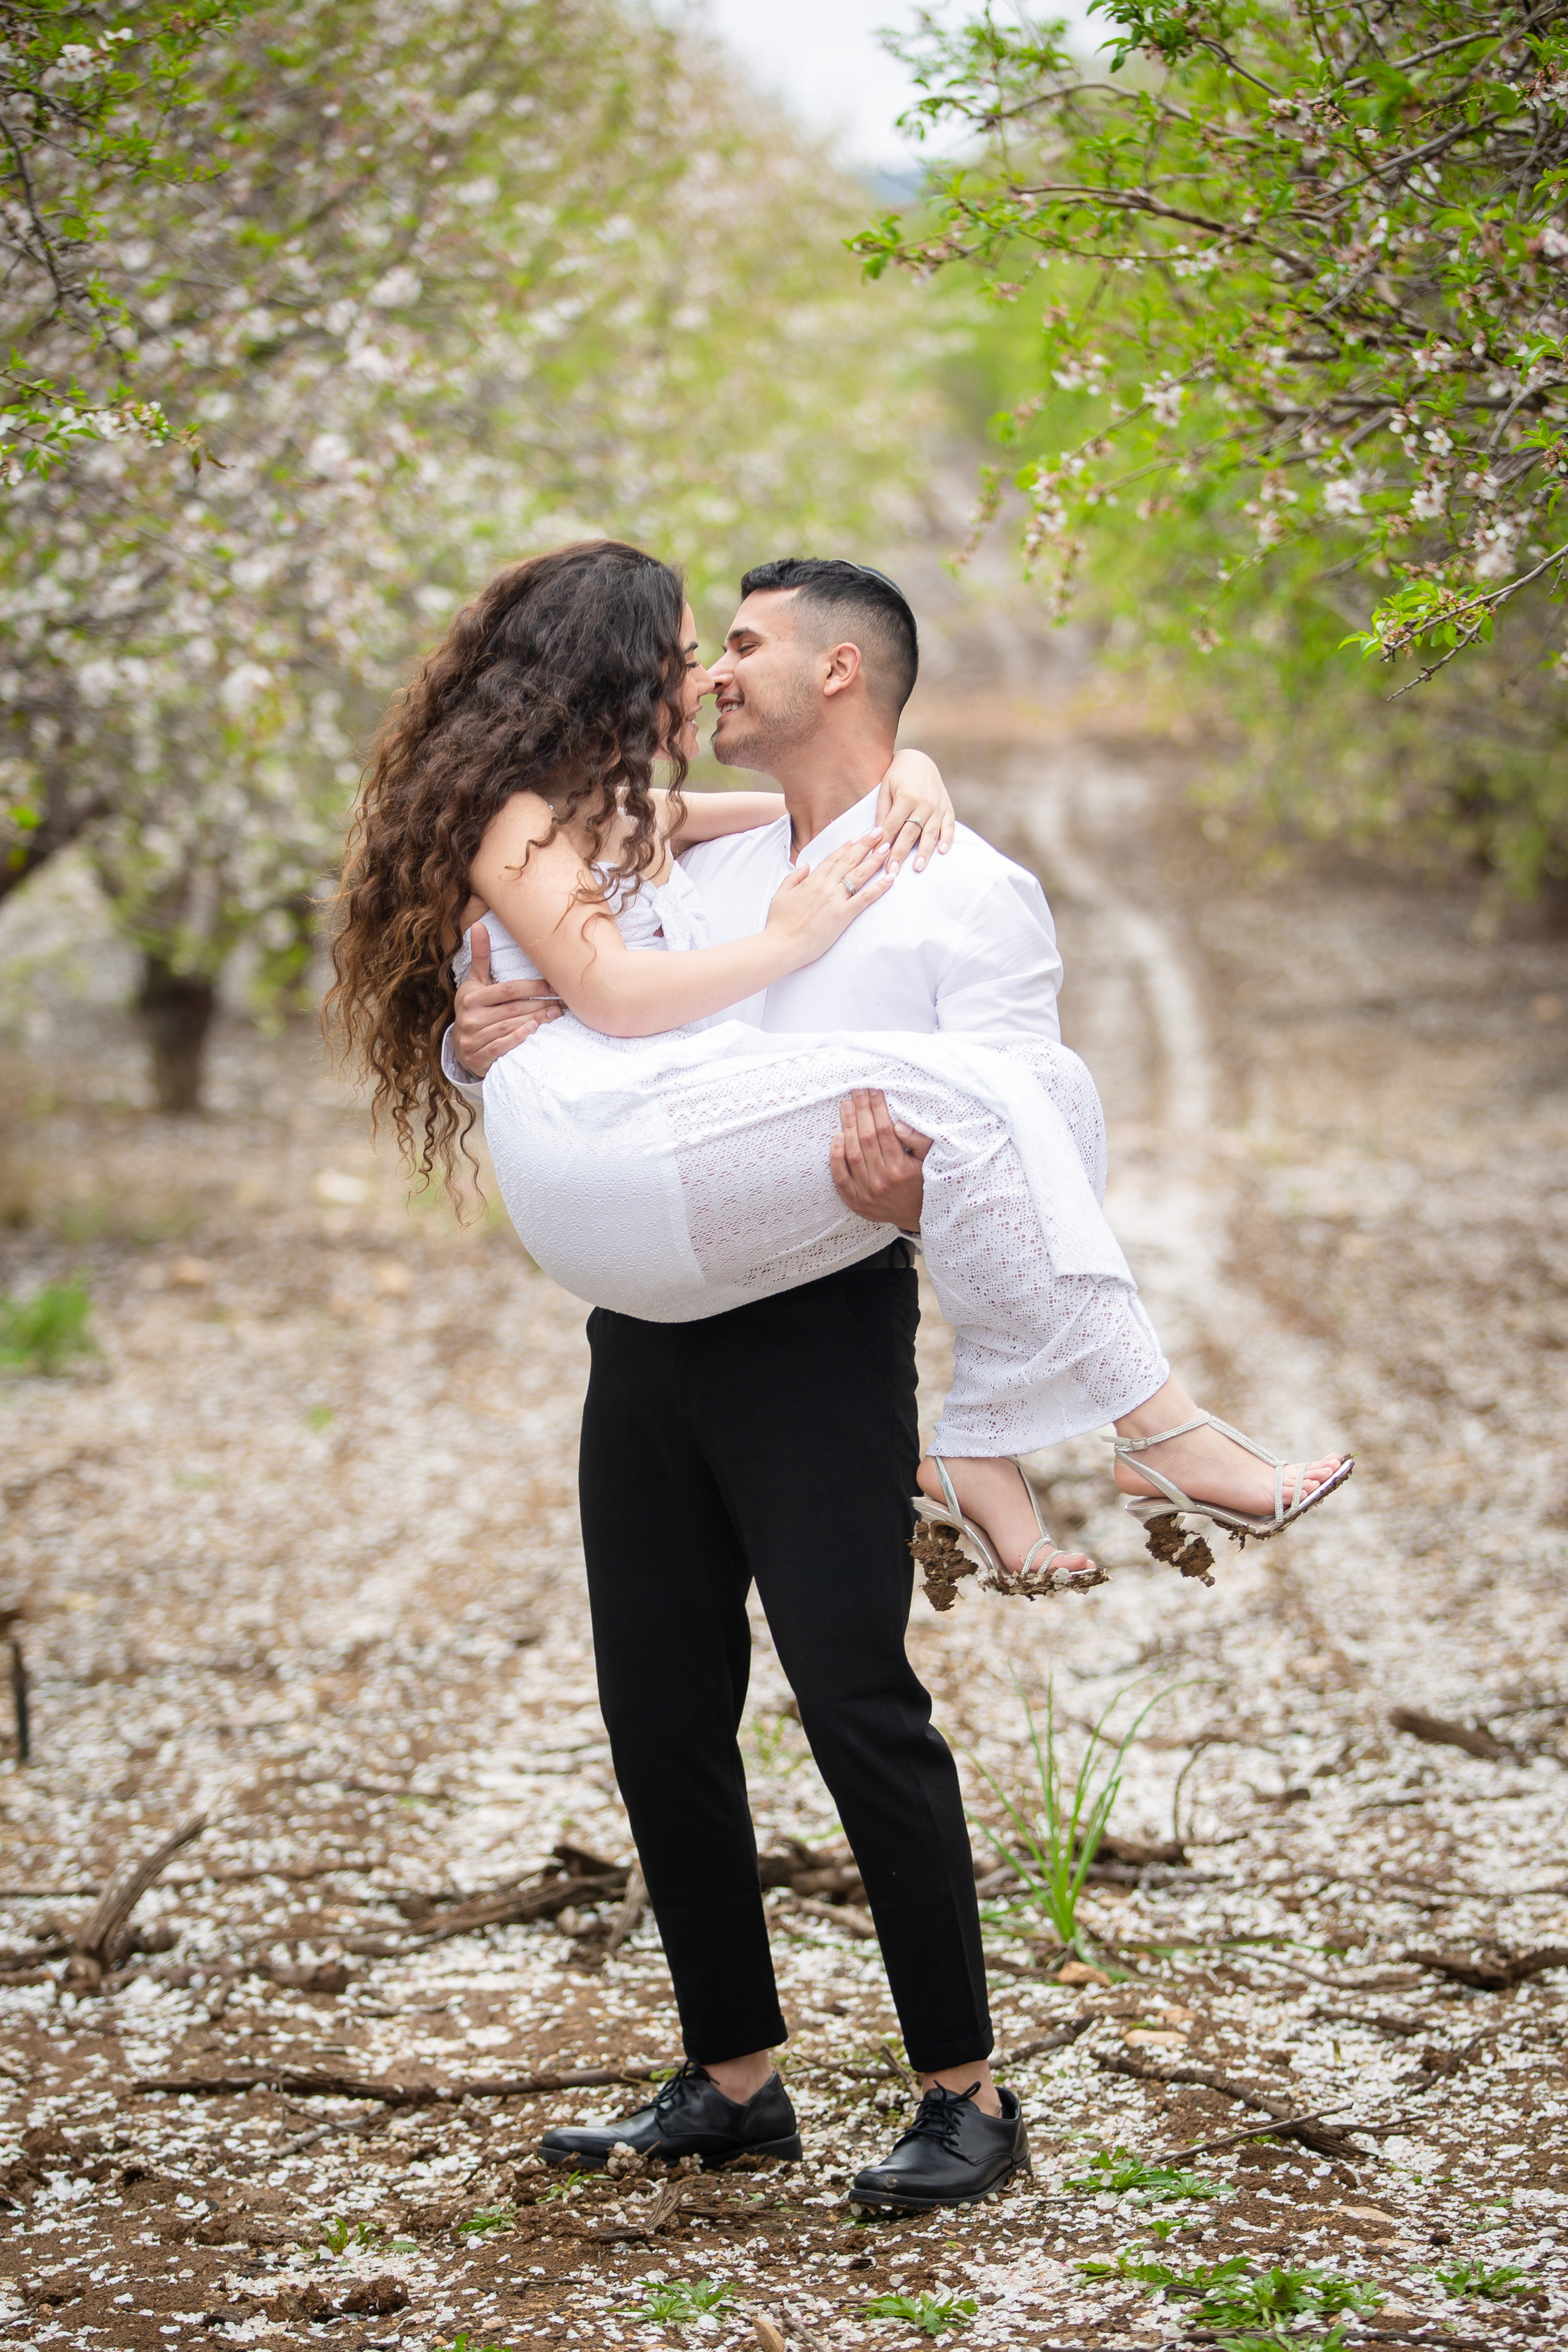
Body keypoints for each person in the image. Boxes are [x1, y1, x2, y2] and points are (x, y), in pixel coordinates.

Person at [328, 541, 1351, 2210]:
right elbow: (571, 984)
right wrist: (474, 1032)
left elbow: (1009, 1130)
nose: (709, 677)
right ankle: (733, 2079)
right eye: (692, 653)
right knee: (659, 1706)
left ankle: (966, 2093)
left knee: (857, 1701)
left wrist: (913, 1197)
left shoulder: (966, 888)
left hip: (817, 1331)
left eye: (734, 649)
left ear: (840, 672)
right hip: (650, 1324)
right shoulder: (696, 849)